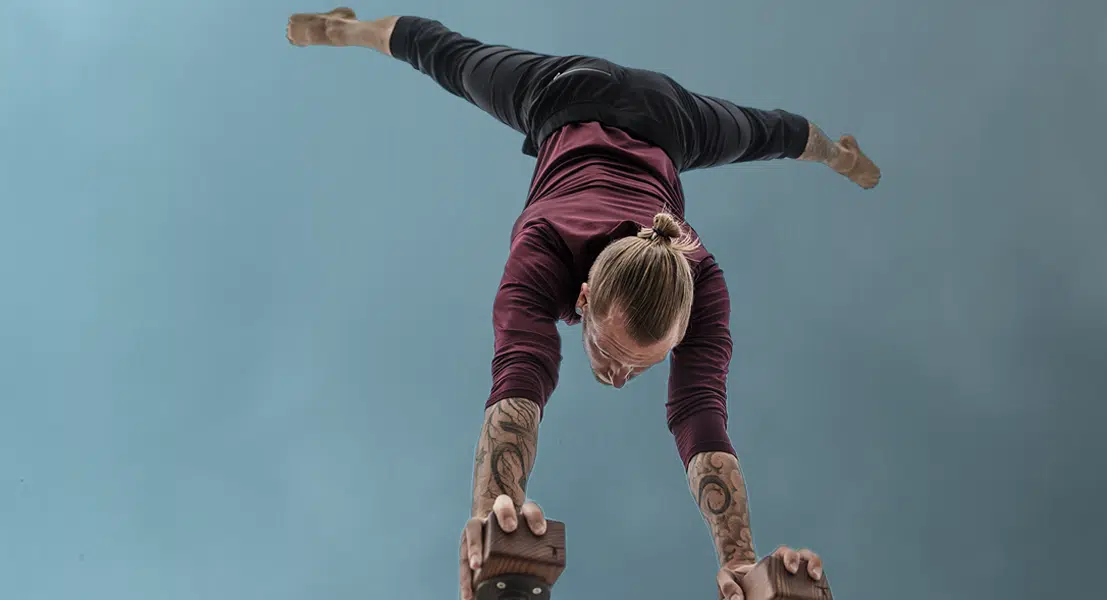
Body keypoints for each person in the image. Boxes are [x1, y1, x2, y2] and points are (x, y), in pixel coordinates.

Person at [287, 8, 876, 600]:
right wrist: (496, 517)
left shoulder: (701, 281)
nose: (620, 378)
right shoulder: (543, 247)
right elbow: (519, 377)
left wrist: (743, 564)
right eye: (614, 352)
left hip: (666, 115)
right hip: (564, 93)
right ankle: (346, 28)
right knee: (443, 55)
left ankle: (837, 153)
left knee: (775, 134)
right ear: (583, 295)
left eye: (638, 363)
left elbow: (702, 414)